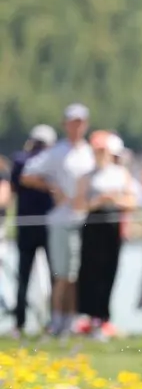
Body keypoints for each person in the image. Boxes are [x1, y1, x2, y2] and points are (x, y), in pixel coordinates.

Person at [21, 103, 95, 337]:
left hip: (86, 219)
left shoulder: (90, 152)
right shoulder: (57, 152)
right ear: (65, 125)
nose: (76, 127)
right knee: (63, 274)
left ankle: (73, 319)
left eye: (80, 122)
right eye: (73, 122)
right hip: (61, 220)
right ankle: (58, 320)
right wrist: (53, 188)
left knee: (78, 273)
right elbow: (28, 175)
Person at [73, 132, 137, 339]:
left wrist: (114, 199)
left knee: (109, 271)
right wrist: (98, 201)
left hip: (112, 225)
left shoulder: (120, 173)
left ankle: (104, 317)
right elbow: (78, 204)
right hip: (93, 225)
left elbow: (132, 201)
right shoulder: (86, 176)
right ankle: (91, 318)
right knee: (90, 271)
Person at [8, 125, 57, 336]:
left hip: (28, 225)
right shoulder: (48, 161)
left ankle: (20, 324)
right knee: (53, 277)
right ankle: (52, 322)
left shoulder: (20, 160)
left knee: (24, 277)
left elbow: (15, 186)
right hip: (45, 225)